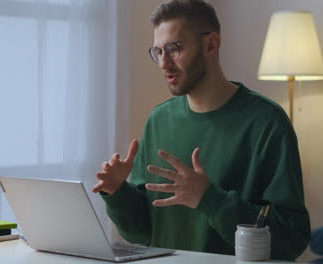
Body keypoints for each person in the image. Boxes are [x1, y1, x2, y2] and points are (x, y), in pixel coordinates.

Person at [92, 0, 310, 261]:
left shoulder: (267, 122)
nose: (164, 63)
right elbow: (142, 233)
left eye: (174, 49)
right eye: (158, 52)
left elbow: (291, 239)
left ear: (211, 44)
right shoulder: (159, 120)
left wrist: (210, 199)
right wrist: (118, 192)